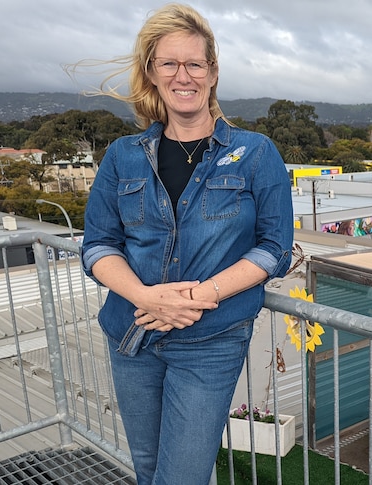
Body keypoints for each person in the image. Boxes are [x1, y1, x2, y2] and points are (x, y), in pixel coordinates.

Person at [80, 4, 294, 484]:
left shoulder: (256, 153)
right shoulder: (122, 157)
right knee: (151, 470)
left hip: (210, 342)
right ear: (152, 74)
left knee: (182, 478)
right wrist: (146, 297)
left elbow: (275, 247)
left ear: (213, 73)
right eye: (169, 64)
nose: (184, 76)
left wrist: (199, 297)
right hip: (131, 335)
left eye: (195, 63)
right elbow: (97, 245)